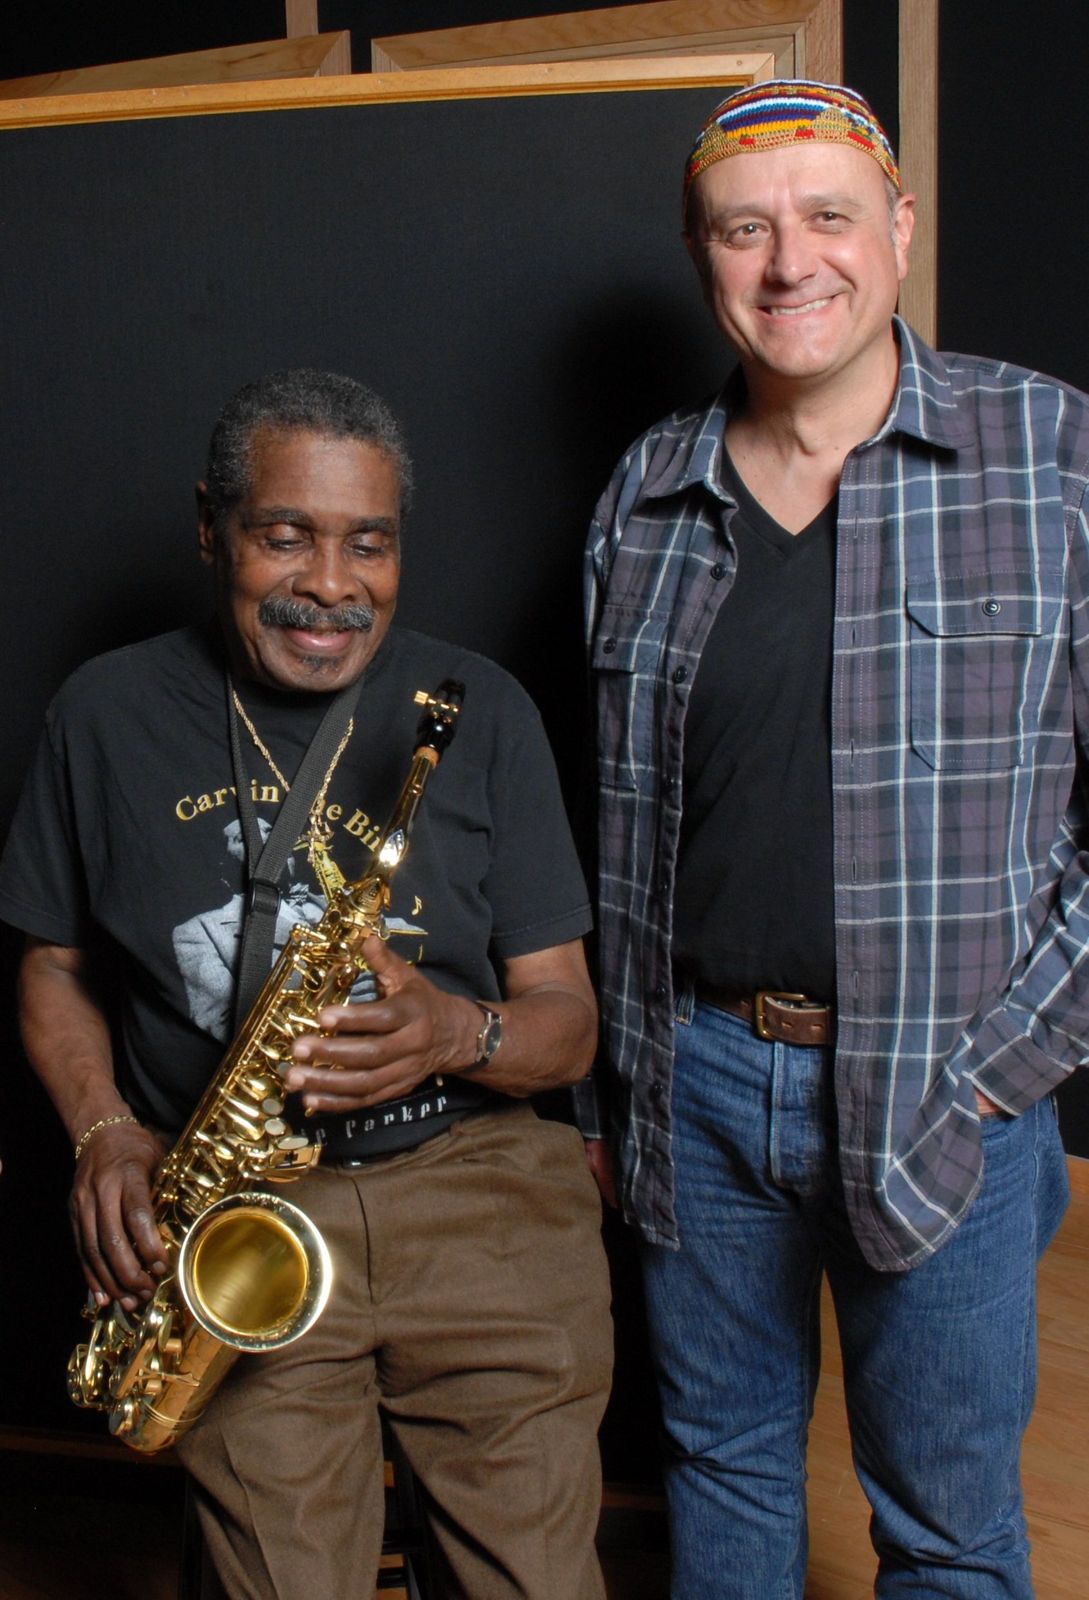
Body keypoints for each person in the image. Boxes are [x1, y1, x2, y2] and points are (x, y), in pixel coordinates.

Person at [580, 79, 1081, 1598]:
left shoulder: (1053, 456)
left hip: (943, 1082)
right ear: (701, 256)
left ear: (900, 231)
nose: (790, 261)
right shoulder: (642, 494)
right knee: (721, 1467)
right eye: (745, 229)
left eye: (828, 216)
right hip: (695, 1081)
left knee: (946, 1524)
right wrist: (617, 1092)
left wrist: (999, 1071)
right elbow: (617, 829)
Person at [0, 368, 613, 1600]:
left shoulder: (479, 710)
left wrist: (453, 1031)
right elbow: (52, 966)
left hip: (480, 1192)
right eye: (286, 534)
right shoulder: (104, 713)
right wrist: (104, 1130)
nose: (332, 584)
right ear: (211, 526)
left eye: (367, 543)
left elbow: (571, 1024)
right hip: (242, 1210)